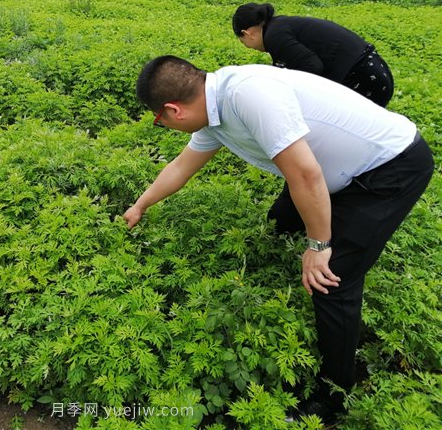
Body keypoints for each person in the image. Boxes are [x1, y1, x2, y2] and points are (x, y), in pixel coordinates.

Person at [124, 55, 433, 425]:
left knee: (331, 279)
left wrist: (319, 246)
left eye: (159, 121)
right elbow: (180, 166)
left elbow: (304, 174)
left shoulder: (249, 94)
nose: (165, 127)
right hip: (330, 174)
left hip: (387, 168)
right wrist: (140, 206)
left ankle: (333, 396)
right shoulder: (213, 111)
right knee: (280, 223)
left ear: (172, 110)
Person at [232, 2, 394, 107]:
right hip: (373, 72)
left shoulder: (274, 36)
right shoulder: (278, 27)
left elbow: (311, 67)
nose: (247, 47)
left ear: (248, 33)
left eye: (242, 41)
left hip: (363, 78)